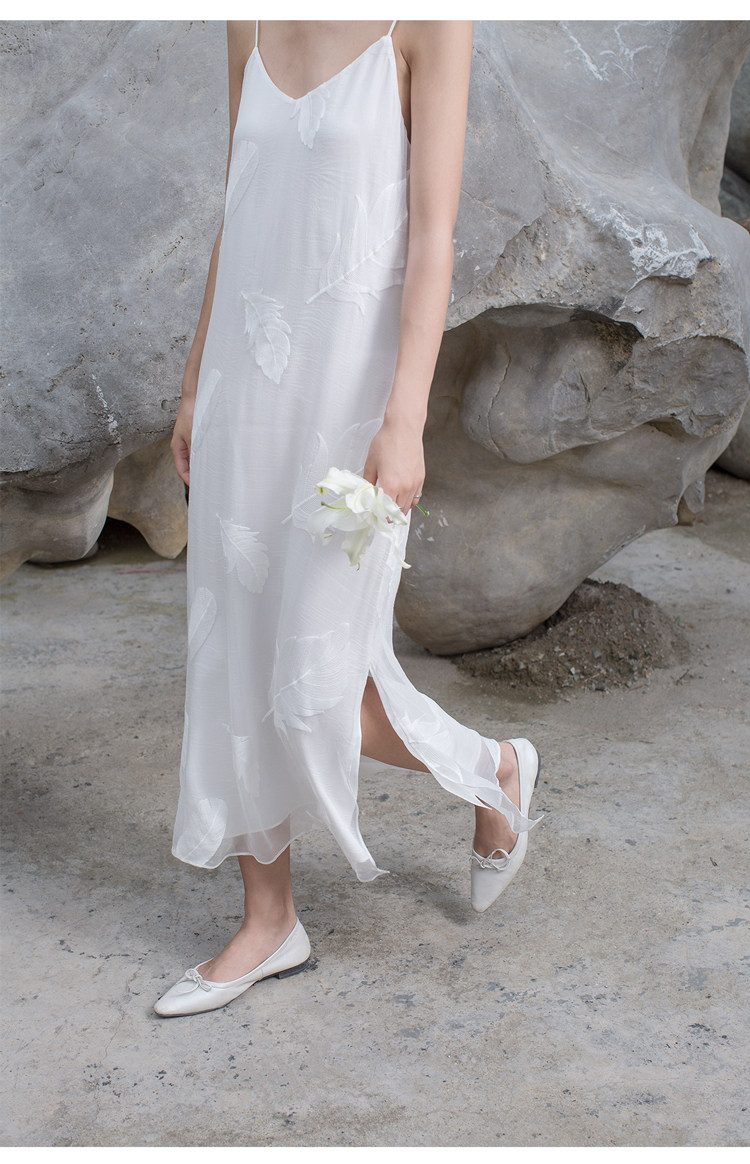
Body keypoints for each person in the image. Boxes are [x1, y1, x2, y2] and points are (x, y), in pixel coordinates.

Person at [156, 19, 542, 1018]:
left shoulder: (428, 23)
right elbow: (240, 207)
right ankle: (269, 919)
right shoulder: (245, 17)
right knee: (240, 655)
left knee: (316, 687)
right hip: (248, 383)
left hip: (351, 402)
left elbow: (433, 234)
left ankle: (493, 770)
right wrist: (195, 384)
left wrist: (406, 419)